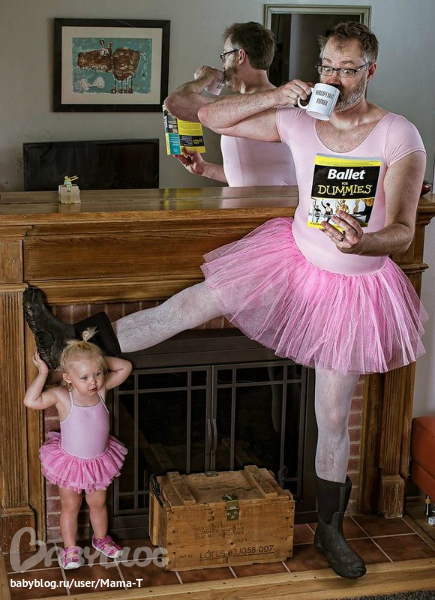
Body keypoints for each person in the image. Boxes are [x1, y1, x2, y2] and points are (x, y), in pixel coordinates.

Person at [23, 22, 427, 580]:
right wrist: (277, 96)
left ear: (370, 70)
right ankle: (68, 341)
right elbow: (206, 116)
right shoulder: (298, 119)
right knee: (187, 307)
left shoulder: (398, 133)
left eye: (348, 69)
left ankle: (330, 529)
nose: (335, 79)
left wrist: (364, 241)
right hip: (288, 259)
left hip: (353, 289)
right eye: (327, 67)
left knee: (333, 415)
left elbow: (403, 231)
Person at [23, 329, 132, 569]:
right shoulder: (62, 396)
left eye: (97, 374)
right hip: (71, 463)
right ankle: (70, 548)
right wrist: (43, 373)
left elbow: (125, 367)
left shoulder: (101, 391)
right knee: (71, 506)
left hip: (98, 462)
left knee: (98, 503)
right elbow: (31, 401)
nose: (93, 381)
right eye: (84, 377)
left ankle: (101, 538)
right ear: (68, 377)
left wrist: (96, 360)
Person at [164, 22, 297, 187]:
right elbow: (252, 174)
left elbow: (177, 102)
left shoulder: (281, 109)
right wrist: (204, 169)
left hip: (271, 204)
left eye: (225, 56)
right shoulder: (239, 107)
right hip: (248, 202)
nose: (223, 65)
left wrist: (205, 78)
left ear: (240, 56)